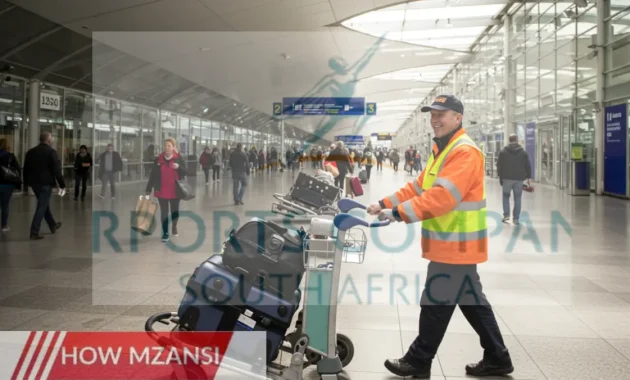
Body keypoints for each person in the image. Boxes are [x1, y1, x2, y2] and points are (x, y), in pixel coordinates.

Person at [367, 95, 513, 379]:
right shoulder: (443, 150)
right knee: (472, 301)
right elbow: (418, 188)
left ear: (458, 117)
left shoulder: (464, 151)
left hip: (457, 243)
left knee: (434, 301)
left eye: (441, 114)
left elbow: (442, 197)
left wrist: (397, 213)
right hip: (451, 242)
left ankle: (418, 359)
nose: (435, 120)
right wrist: (385, 204)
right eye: (432, 115)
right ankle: (498, 357)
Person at [23, 131, 66, 240]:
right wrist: (62, 184)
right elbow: (57, 170)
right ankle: (34, 231)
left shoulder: (31, 152)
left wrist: (25, 183)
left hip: (34, 184)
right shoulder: (51, 152)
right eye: (51, 139)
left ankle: (52, 225)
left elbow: (26, 168)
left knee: (44, 205)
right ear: (48, 140)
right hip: (45, 184)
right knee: (41, 206)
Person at [146, 137, 188, 242]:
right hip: (162, 190)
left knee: (174, 212)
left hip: (175, 190)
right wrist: (148, 189)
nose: (167, 148)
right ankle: (165, 232)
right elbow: (153, 175)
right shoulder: (158, 160)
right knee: (164, 212)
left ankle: (174, 226)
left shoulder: (179, 159)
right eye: (165, 146)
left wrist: (178, 167)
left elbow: (187, 172)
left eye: (169, 146)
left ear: (174, 147)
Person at [497, 134, 532, 225]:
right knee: (517, 198)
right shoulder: (523, 152)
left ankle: (506, 216)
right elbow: (527, 165)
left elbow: (499, 166)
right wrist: (528, 177)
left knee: (505, 197)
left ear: (509, 140)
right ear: (517, 140)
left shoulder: (503, 151)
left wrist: (500, 177)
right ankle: (516, 219)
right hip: (519, 179)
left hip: (506, 178)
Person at [0, 138, 21, 232]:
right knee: (5, 205)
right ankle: (4, 225)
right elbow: (17, 170)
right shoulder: (10, 156)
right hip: (8, 184)